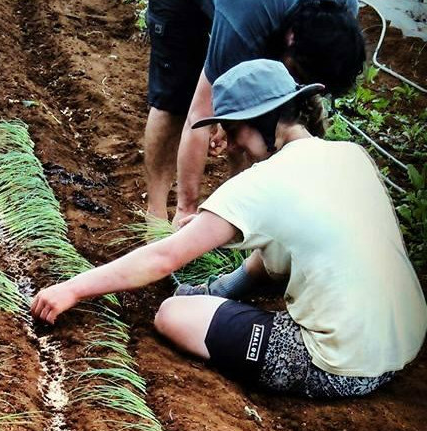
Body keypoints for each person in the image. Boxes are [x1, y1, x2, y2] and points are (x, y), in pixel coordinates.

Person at [33, 59, 426, 400]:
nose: (232, 144)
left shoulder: (264, 182)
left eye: (233, 130)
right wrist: (216, 285)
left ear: (262, 120)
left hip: (342, 367)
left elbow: (164, 257)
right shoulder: (349, 155)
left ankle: (223, 308)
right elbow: (284, 247)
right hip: (405, 341)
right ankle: (218, 293)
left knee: (173, 313)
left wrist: (73, 288)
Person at [144, 0, 366, 223]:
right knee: (174, 102)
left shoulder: (340, 17)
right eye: (297, 74)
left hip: (265, 18)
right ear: (290, 38)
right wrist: (186, 209)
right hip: (185, 7)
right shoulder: (248, 20)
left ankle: (238, 216)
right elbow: (199, 115)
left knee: (260, 115)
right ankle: (156, 216)